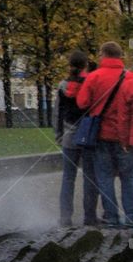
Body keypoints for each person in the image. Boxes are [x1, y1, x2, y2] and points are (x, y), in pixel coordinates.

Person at [76, 42, 133, 227]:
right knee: (128, 177)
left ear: (104, 55)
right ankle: (130, 217)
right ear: (119, 57)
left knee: (105, 177)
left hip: (101, 135)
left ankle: (111, 217)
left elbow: (82, 103)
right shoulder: (129, 78)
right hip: (125, 138)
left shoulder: (95, 77)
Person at [56, 50, 99, 225]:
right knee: (90, 177)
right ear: (85, 65)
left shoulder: (62, 86)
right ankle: (90, 216)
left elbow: (58, 113)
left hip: (68, 135)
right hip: (88, 136)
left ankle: (65, 217)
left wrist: (58, 134)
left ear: (70, 65)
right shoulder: (90, 84)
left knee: (68, 178)